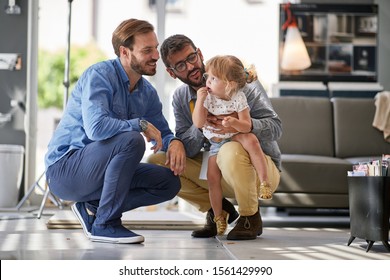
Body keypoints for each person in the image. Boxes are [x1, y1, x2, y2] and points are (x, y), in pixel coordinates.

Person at [44, 19, 182, 244]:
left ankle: (94, 207)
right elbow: (96, 128)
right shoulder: (99, 75)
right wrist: (139, 124)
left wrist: (174, 141)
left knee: (169, 183)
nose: (156, 55)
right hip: (65, 170)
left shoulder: (147, 92)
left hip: (101, 173)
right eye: (147, 50)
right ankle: (104, 224)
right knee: (132, 140)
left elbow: (163, 132)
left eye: (155, 48)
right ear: (124, 52)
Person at [147, 34, 282, 240]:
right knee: (158, 162)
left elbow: (276, 128)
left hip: (258, 165)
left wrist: (241, 124)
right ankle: (218, 211)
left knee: (230, 149)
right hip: (217, 165)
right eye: (180, 66)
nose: (191, 67)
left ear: (199, 54)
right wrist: (200, 124)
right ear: (171, 73)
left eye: (191, 58)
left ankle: (250, 216)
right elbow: (189, 150)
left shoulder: (238, 81)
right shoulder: (181, 98)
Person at [192, 55, 272, 235]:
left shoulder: (239, 97)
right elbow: (198, 123)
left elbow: (246, 125)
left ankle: (264, 182)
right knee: (212, 179)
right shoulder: (207, 97)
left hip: (235, 137)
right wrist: (199, 101)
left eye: (213, 78)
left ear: (229, 84)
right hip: (215, 144)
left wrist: (233, 123)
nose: (208, 81)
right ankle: (219, 216)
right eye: (208, 77)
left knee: (251, 140)